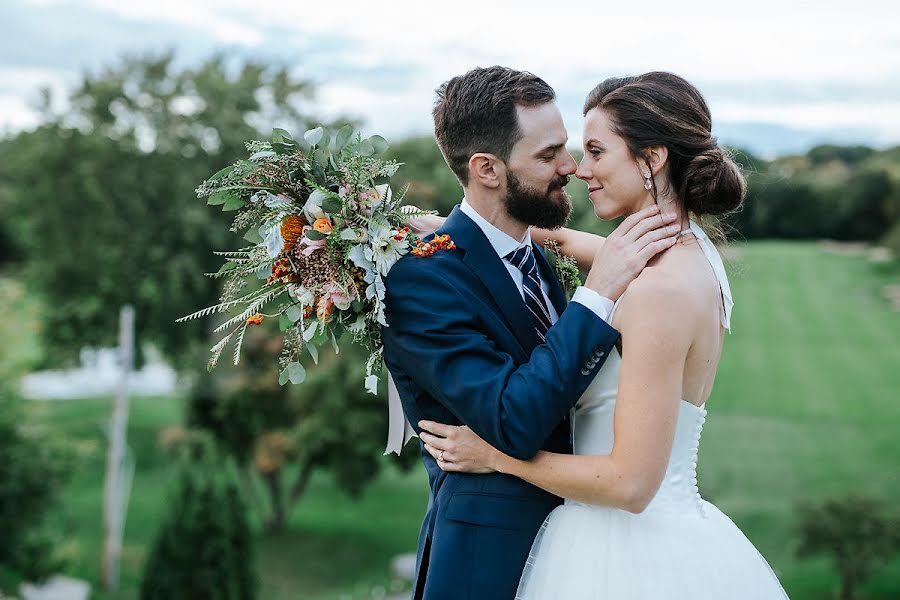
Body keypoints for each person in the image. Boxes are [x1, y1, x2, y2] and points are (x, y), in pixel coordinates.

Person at [418, 72, 790, 599]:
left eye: (595, 151)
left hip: (624, 548)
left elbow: (630, 484)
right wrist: (432, 225)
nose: (580, 170)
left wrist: (496, 457)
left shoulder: (657, 292)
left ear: (651, 158)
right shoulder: (678, 253)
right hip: (652, 532)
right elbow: (565, 240)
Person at [381, 66, 680, 600]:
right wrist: (598, 292)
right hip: (489, 566)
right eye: (548, 155)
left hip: (577, 548)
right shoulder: (422, 281)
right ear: (487, 169)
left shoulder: (532, 255)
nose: (571, 167)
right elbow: (512, 421)